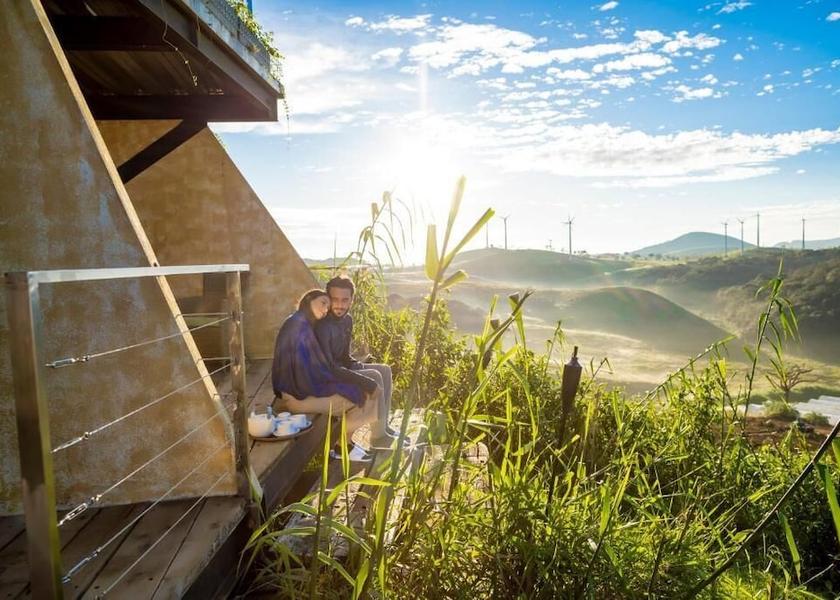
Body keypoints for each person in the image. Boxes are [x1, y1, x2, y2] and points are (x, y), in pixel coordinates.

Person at [271, 289, 378, 463]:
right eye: (323, 303)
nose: (326, 309)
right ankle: (341, 447)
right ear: (308, 299)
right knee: (361, 396)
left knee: (355, 389)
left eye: (328, 306)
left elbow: (310, 368)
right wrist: (336, 383)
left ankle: (346, 444)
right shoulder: (298, 328)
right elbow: (305, 374)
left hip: (294, 390)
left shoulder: (298, 322)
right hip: (295, 397)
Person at [315, 276, 401, 448]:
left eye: (345, 300)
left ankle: (383, 427)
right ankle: (378, 439)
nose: (339, 305)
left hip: (339, 369)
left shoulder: (347, 320)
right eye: (334, 299)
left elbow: (345, 357)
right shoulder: (322, 325)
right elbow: (329, 367)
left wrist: (358, 366)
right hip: (324, 377)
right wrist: (364, 379)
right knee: (373, 377)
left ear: (351, 300)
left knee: (384, 370)